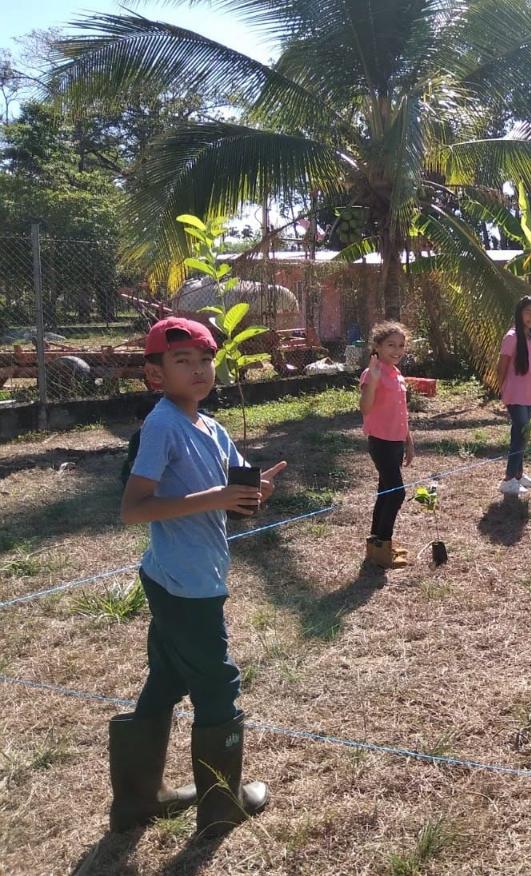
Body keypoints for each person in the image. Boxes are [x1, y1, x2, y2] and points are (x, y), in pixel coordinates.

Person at [116, 317, 286, 838]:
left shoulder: (211, 428)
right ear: (155, 375)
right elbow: (133, 508)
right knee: (217, 684)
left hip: (189, 574)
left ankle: (138, 801)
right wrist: (215, 498)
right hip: (185, 583)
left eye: (205, 360)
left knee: (167, 678)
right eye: (182, 361)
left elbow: (234, 497)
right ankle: (222, 803)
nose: (198, 371)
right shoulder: (162, 425)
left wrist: (255, 493)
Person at [360, 321, 415, 568]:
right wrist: (372, 379)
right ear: (377, 346)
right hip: (380, 441)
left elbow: (401, 411)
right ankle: (384, 543)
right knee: (397, 493)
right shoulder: (373, 372)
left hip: (396, 442)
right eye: (390, 345)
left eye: (401, 345)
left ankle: (376, 545)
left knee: (385, 492)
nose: (396, 350)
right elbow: (365, 407)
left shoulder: (397, 374)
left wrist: (408, 441)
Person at [497, 296, 531, 497]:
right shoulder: (512, 336)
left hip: (528, 395)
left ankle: (518, 475)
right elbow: (502, 367)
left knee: (520, 434)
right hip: (515, 394)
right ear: (519, 314)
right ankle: (508, 480)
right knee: (522, 434)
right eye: (527, 312)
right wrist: (501, 390)